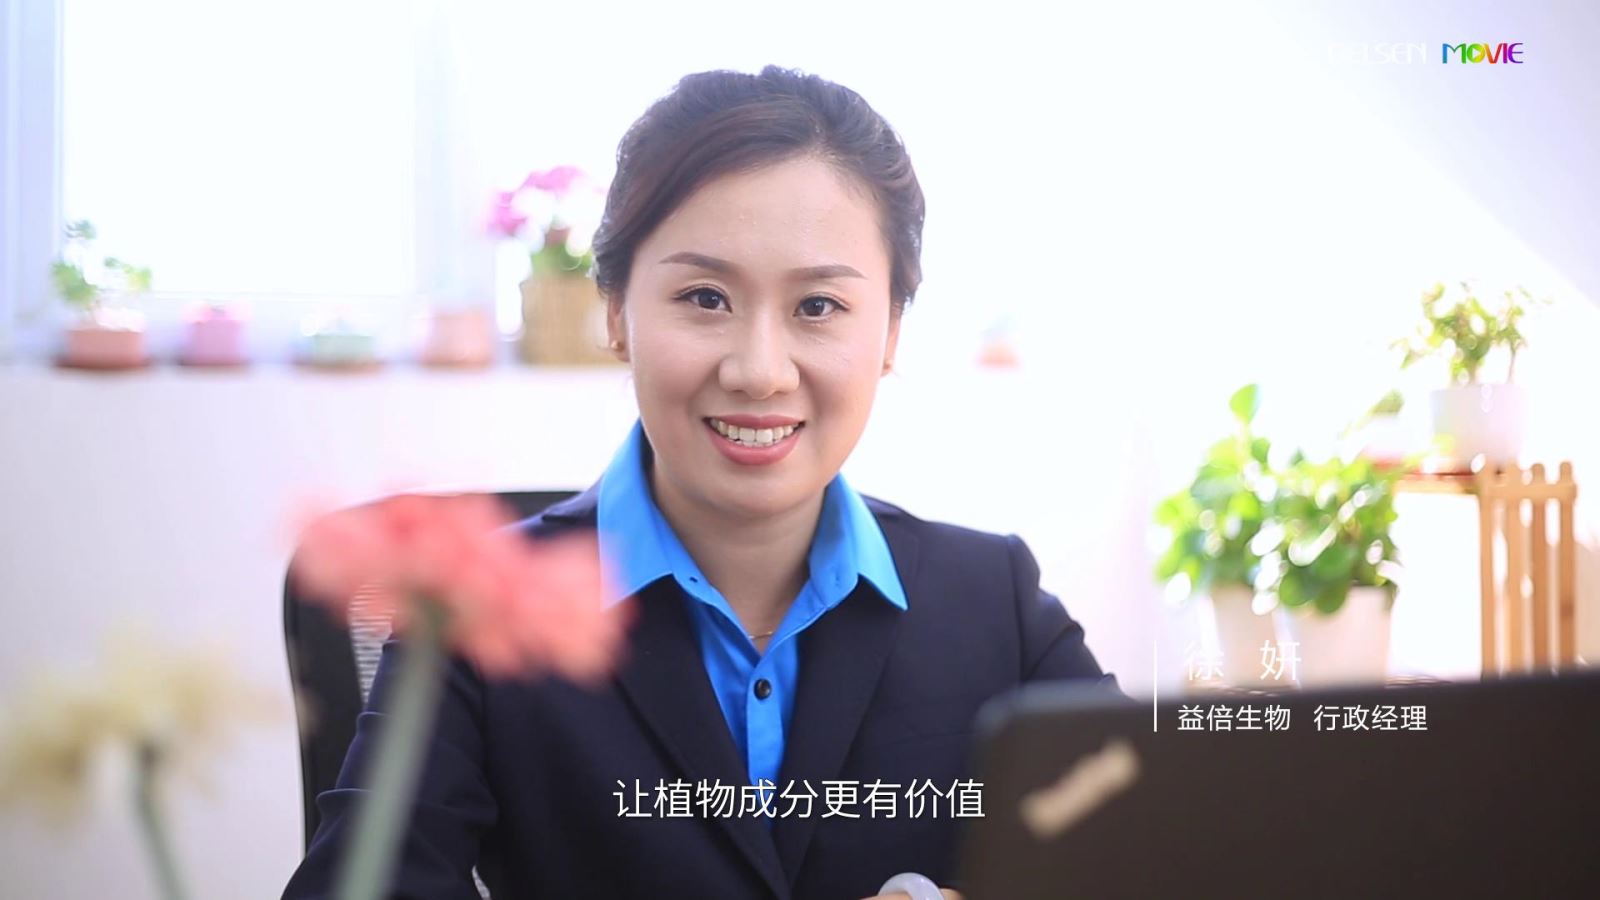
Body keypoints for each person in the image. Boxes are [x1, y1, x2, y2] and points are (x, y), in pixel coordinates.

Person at [283, 65, 1114, 900]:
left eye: (818, 307)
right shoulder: (475, 609)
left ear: (891, 332)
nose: (760, 370)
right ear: (617, 314)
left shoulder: (994, 600)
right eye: (706, 297)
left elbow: (1149, 850)